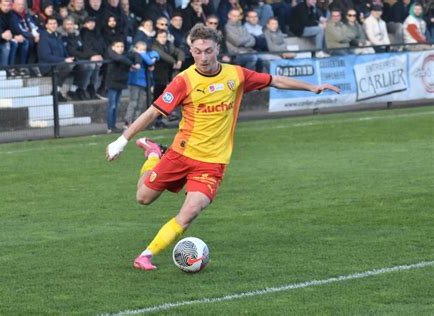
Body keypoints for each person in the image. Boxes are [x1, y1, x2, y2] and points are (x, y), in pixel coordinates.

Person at [105, 23, 340, 270]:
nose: (203, 57)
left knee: (191, 211)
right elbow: (153, 112)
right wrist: (122, 141)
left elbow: (274, 80)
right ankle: (154, 153)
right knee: (143, 198)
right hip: (181, 155)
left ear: (218, 48)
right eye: (197, 51)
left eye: (208, 50)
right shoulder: (184, 81)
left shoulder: (236, 75)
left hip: (212, 163)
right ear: (190, 50)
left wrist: (312, 86)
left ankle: (146, 255)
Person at [151, 29, 185, 128]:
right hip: (157, 76)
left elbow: (179, 52)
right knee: (157, 98)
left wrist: (180, 60)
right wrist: (175, 62)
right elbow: (163, 55)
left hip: (166, 76)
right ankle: (155, 121)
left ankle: (160, 119)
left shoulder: (169, 45)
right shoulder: (154, 46)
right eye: (161, 37)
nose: (163, 39)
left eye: (164, 37)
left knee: (164, 98)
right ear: (157, 37)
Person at [37, 17, 75, 102]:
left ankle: (75, 90)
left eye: (55, 23)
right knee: (66, 67)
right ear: (46, 25)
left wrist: (69, 58)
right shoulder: (44, 38)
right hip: (48, 66)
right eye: (51, 24)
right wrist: (64, 60)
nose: (53, 25)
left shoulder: (57, 35)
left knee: (80, 65)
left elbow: (64, 51)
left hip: (59, 63)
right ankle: (56, 92)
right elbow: (46, 56)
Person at [61, 17, 100, 100]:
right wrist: (89, 56)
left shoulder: (76, 35)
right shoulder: (62, 36)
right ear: (63, 26)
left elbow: (83, 48)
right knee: (89, 65)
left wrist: (93, 55)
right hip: (69, 60)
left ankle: (90, 88)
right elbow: (72, 51)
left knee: (96, 63)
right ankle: (79, 89)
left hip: (79, 58)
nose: (70, 26)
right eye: (67, 24)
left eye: (71, 24)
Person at [124, 41, 159, 129]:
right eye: (140, 49)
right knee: (133, 102)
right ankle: (128, 122)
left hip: (143, 82)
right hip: (134, 82)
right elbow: (149, 62)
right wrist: (148, 57)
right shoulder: (133, 54)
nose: (143, 51)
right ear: (136, 49)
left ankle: (136, 122)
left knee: (140, 103)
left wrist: (154, 57)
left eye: (144, 49)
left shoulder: (144, 54)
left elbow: (155, 54)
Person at [106, 40, 138, 133]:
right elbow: (120, 59)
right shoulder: (112, 55)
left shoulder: (124, 56)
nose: (120, 48)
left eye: (121, 46)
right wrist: (132, 65)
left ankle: (113, 126)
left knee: (116, 105)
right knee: (112, 105)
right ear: (113, 47)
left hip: (120, 83)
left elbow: (135, 55)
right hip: (112, 83)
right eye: (118, 46)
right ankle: (110, 127)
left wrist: (135, 63)